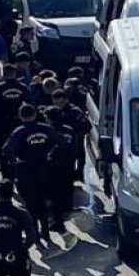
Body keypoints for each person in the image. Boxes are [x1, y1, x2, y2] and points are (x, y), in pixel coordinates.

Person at [2, 104, 64, 241]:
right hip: (43, 167)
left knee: (30, 202)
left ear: (20, 116)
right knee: (42, 200)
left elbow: (6, 150)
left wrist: (14, 163)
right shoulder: (46, 128)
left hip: (25, 169)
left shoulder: (19, 131)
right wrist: (51, 155)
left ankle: (34, 230)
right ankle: (45, 230)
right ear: (35, 114)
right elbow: (62, 141)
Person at [45, 88, 89, 229]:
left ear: (66, 100)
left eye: (61, 102)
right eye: (56, 102)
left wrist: (75, 133)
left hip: (72, 149)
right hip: (62, 153)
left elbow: (86, 126)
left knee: (66, 181)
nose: (58, 105)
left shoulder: (75, 112)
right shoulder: (52, 113)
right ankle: (62, 208)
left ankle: (65, 208)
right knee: (62, 183)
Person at [0, 64, 30, 153]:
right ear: (15, 73)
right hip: (18, 121)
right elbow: (29, 104)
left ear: (3, 74)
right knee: (19, 147)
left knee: (2, 148)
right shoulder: (22, 87)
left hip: (1, 122)